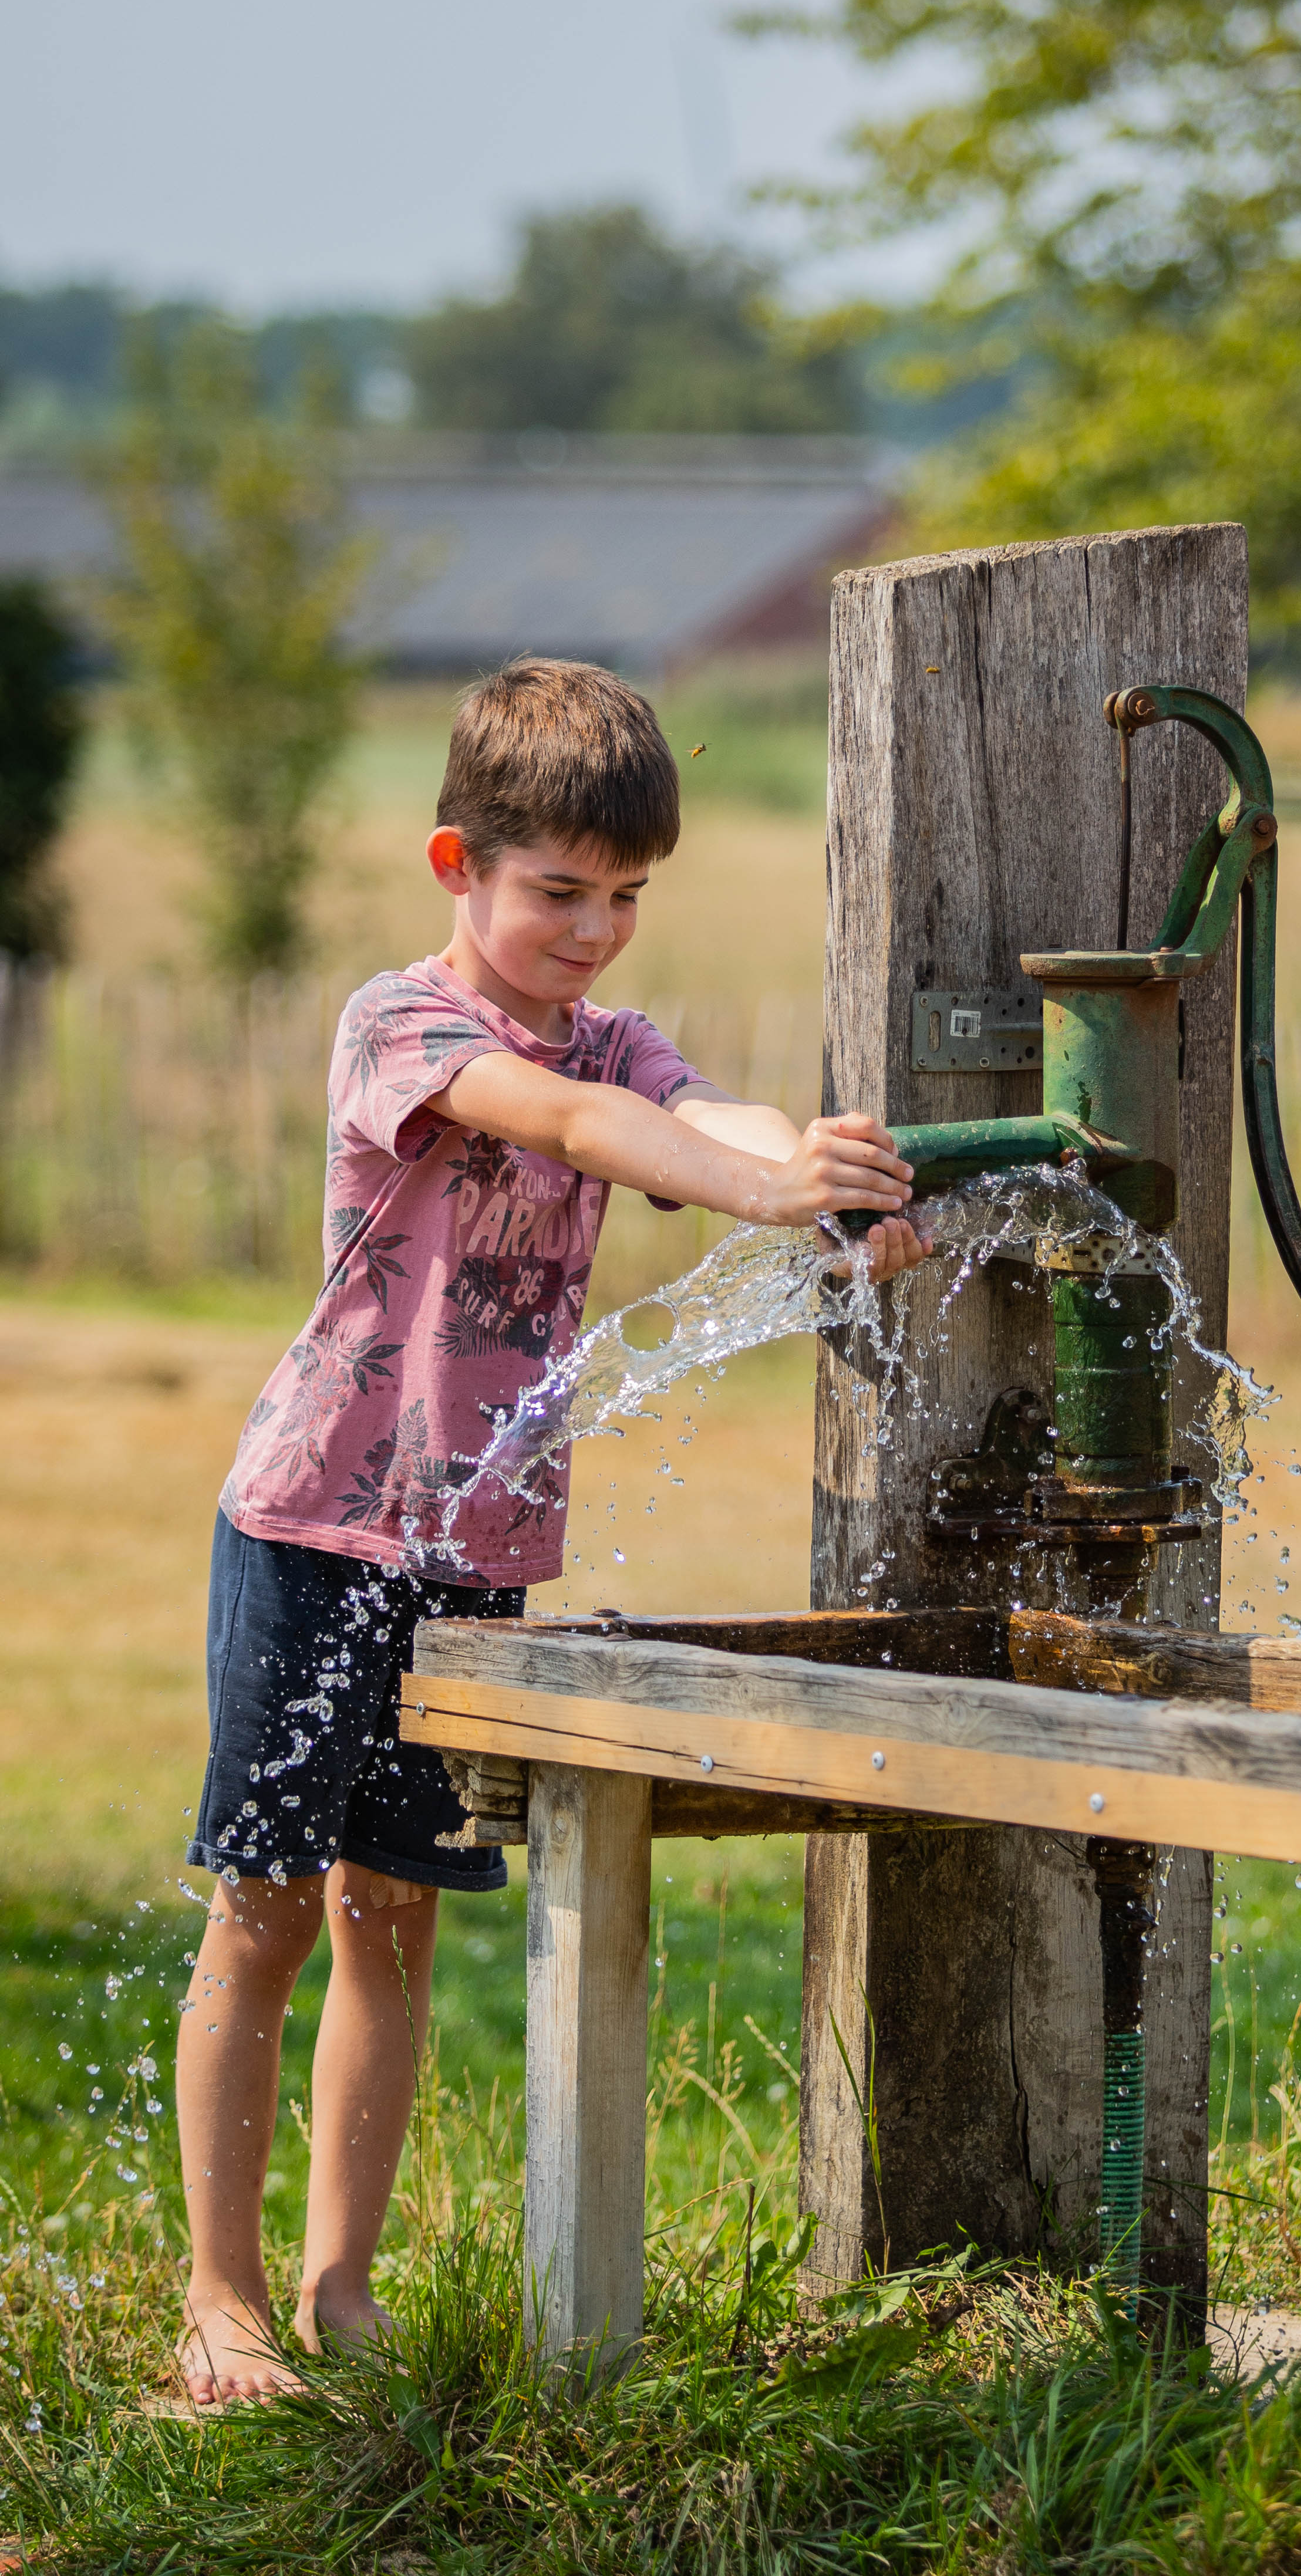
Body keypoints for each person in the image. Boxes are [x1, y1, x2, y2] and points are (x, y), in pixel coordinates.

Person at [176, 659, 928, 2405]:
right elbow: (587, 1131)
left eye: (626, 899)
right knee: (265, 1910)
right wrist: (764, 1187)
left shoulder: (616, 1039)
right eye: (558, 894)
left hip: (482, 1552)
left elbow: (691, 1111)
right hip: (316, 1527)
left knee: (396, 1913)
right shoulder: (406, 1028)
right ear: (461, 863)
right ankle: (218, 2304)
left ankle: (340, 2289)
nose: (593, 934)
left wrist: (815, 1161)